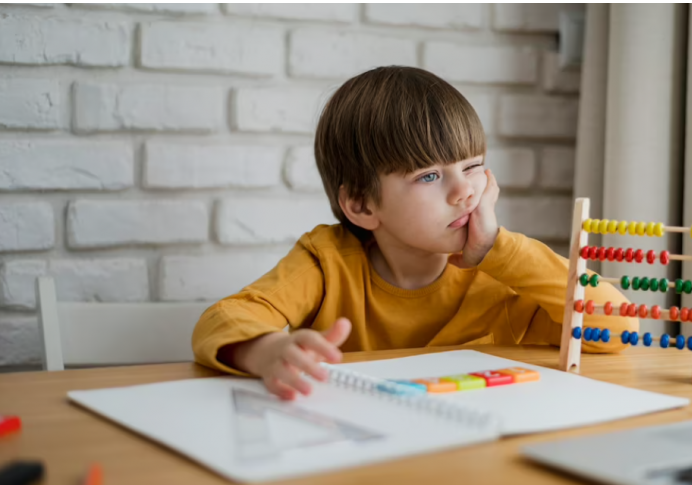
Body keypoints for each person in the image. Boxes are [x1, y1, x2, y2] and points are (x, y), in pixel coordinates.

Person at [192, 66, 637, 400]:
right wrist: (266, 350)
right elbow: (224, 318)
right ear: (362, 205)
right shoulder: (326, 262)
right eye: (429, 176)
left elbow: (618, 327)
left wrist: (498, 249)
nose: (464, 191)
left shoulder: (504, 273)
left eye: (473, 166)